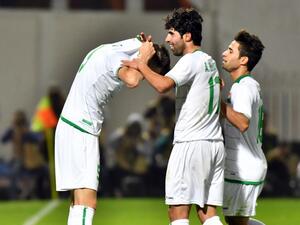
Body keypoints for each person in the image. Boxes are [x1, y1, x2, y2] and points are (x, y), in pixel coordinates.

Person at [122, 8, 224, 225]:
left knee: (177, 213)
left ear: (187, 36)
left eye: (171, 33)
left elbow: (162, 86)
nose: (167, 39)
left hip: (191, 144)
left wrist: (141, 63)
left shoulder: (190, 61)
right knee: (207, 213)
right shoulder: (209, 61)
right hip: (213, 144)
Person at [54, 35, 170, 225]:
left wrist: (142, 52)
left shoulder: (111, 48)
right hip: (81, 130)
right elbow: (132, 80)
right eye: (149, 72)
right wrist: (142, 61)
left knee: (77, 202)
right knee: (87, 201)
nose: (145, 76)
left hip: (70, 127)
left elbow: (137, 46)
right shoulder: (116, 57)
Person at [220, 30, 267, 225]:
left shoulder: (243, 87)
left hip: (243, 168)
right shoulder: (246, 85)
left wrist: (214, 99)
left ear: (243, 60)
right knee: (234, 221)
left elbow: (242, 122)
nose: (224, 53)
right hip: (245, 166)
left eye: (230, 51)